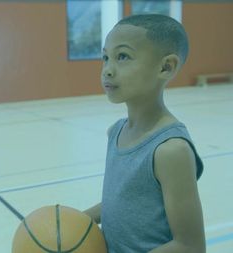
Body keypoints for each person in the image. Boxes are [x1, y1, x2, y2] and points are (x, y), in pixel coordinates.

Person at [84, 14, 205, 253]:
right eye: (105, 57)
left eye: (122, 56)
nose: (107, 70)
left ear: (165, 67)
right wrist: (71, 220)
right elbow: (122, 204)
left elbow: (190, 246)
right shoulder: (115, 132)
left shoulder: (171, 150)